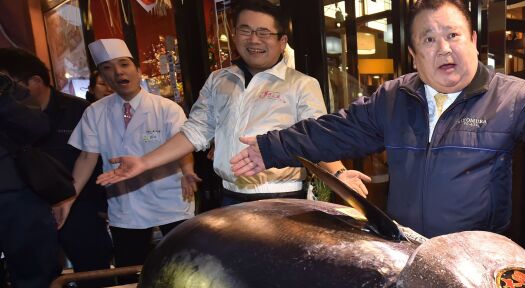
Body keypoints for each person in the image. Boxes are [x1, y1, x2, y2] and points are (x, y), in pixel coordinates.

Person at [228, 0, 525, 238]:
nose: (443, 47)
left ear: (473, 42)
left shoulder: (510, 98)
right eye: (429, 39)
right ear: (413, 54)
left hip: (478, 259)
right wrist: (271, 147)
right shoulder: (392, 98)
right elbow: (333, 131)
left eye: (452, 35)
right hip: (409, 250)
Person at [95, 0, 368, 205]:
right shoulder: (218, 80)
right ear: (234, 34)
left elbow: (315, 137)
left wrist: (340, 173)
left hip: (282, 198)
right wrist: (144, 162)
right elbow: (195, 132)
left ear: (282, 41)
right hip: (230, 196)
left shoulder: (301, 84)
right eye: (245, 30)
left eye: (264, 33)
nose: (254, 40)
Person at [64, 38, 196, 270]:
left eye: (124, 64)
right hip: (126, 205)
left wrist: (188, 171)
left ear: (138, 69)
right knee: (129, 272)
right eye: (108, 68)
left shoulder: (166, 108)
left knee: (181, 267)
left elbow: (182, 144)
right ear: (102, 77)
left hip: (169, 199)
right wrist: (69, 198)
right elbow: (87, 158)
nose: (118, 72)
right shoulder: (94, 113)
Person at [0, 48, 113, 285]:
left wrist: (102, 204)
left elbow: (94, 159)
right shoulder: (7, 112)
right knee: (38, 277)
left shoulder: (78, 110)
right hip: (28, 208)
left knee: (94, 274)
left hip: (79, 205)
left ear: (36, 81)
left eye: (9, 80)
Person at [0, 70, 60, 288]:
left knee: (35, 275)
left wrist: (2, 99)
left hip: (15, 195)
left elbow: (38, 126)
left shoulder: (8, 88)